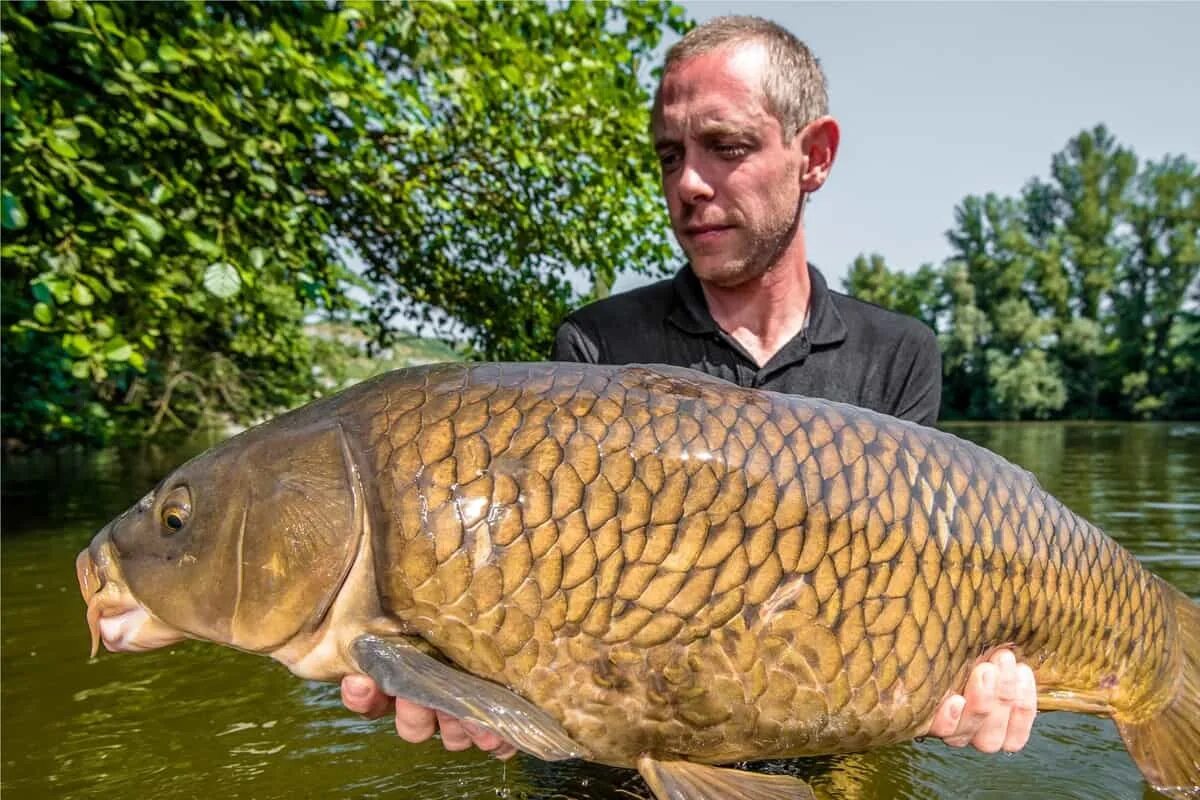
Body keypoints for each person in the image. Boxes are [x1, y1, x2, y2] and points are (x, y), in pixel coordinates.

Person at [342, 14, 1038, 763]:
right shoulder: (597, 346)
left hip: (820, 732)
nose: (689, 184)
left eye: (726, 147)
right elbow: (545, 589)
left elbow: (913, 595)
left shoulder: (898, 354)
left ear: (815, 156)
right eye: (670, 156)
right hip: (622, 748)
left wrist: (975, 677)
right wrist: (455, 668)